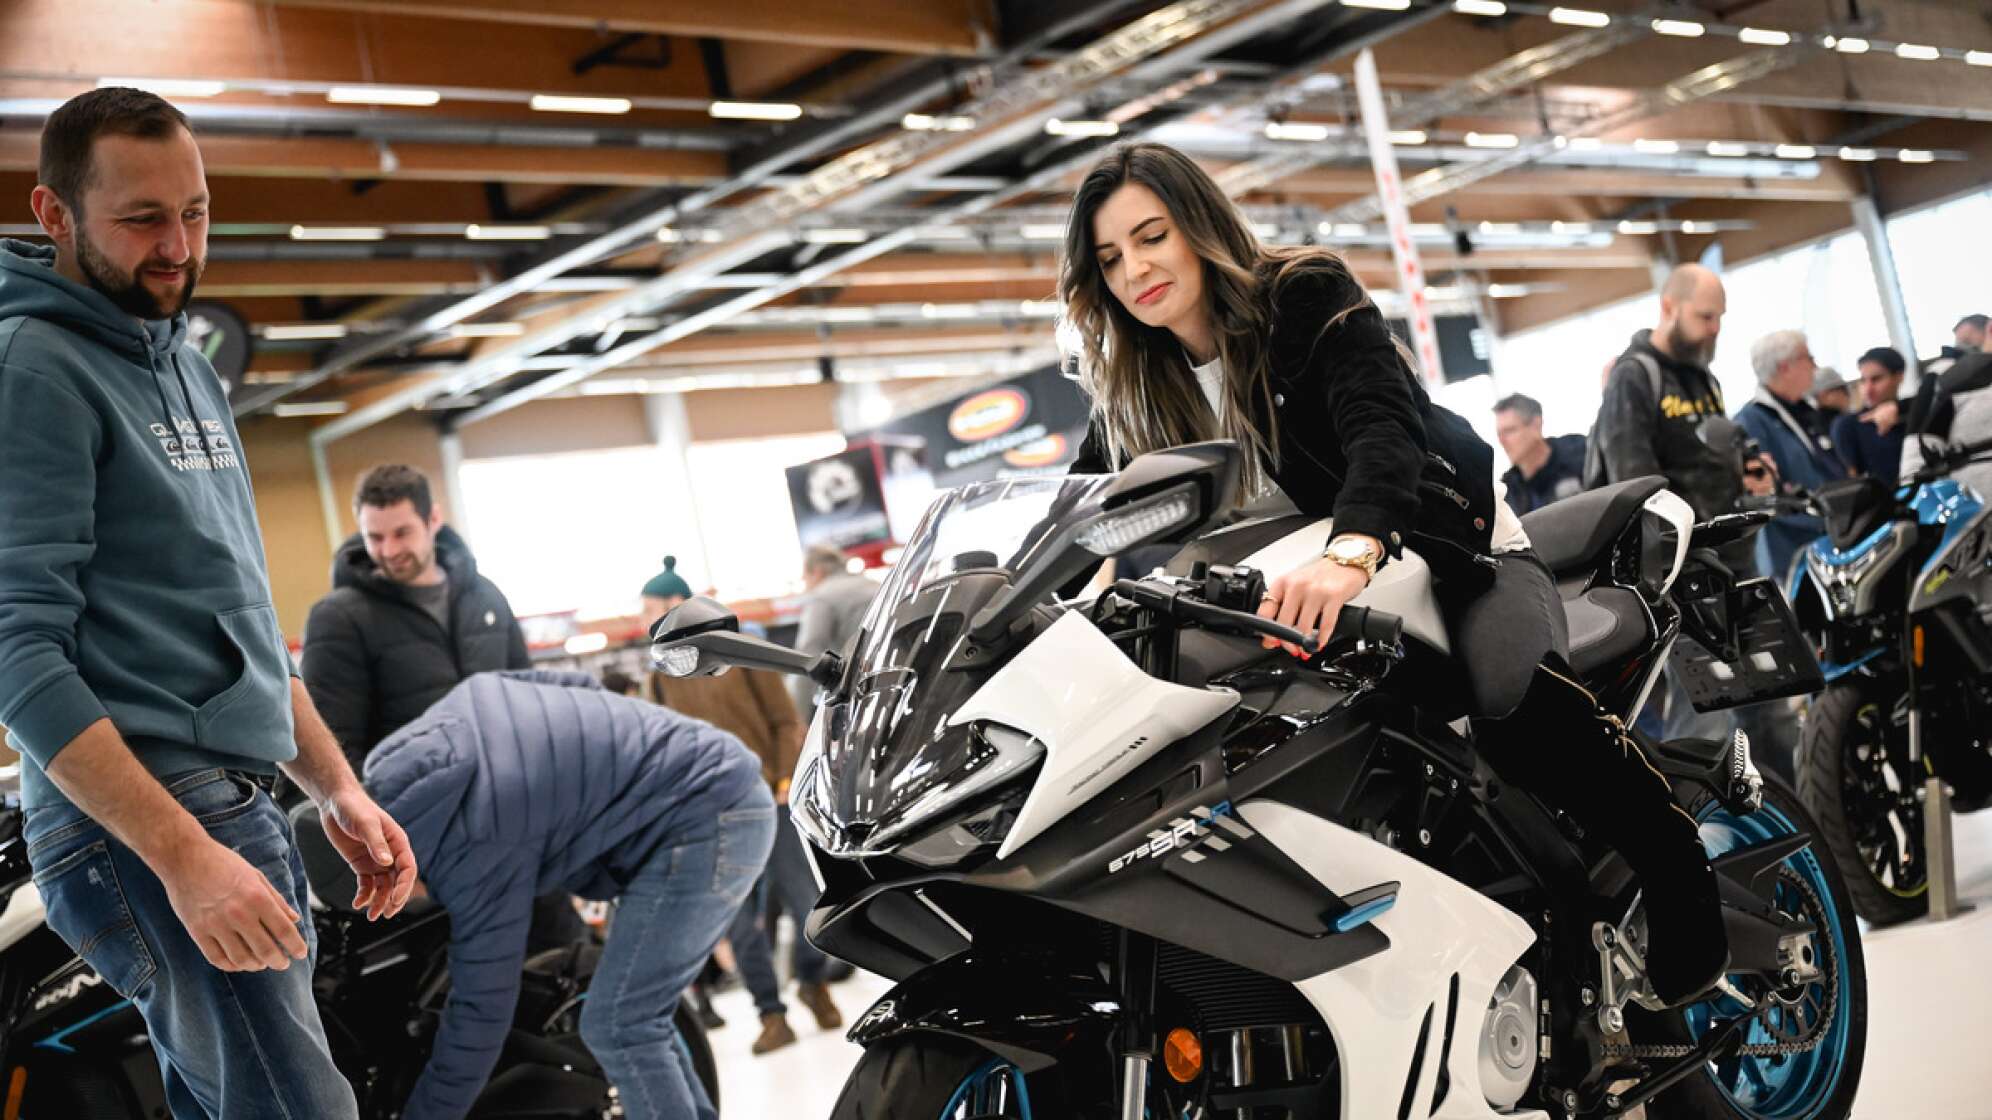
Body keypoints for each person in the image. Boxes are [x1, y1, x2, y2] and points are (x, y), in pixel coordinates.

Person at [1058, 142, 1724, 1006]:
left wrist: (1350, 552)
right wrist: (1001, 610)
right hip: (1289, 609)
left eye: (1152, 237)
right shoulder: (1136, 389)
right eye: (1110, 258)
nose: (1135, 269)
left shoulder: (1302, 297)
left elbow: (1381, 430)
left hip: (1444, 553)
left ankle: (1677, 866)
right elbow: (1079, 518)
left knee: (1508, 703)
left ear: (1199, 226)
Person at [0, 87, 416, 1118]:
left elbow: (240, 619)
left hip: (233, 799)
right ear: (55, 214)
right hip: (145, 821)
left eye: (195, 212)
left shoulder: (187, 365)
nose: (178, 247)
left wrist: (333, 786)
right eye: (142, 218)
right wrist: (184, 855)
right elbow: (16, 650)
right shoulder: (33, 369)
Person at [318, 670, 773, 1120]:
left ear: (389, 867)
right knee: (638, 1016)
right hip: (704, 773)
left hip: (710, 817)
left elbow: (481, 1015)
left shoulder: (472, 845)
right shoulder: (432, 732)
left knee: (620, 1025)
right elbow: (581, 686)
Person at [636, 558, 841, 1052]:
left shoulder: (736, 649)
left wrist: (786, 777)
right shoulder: (660, 675)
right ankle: (771, 1014)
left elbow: (784, 719)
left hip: (770, 797)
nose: (644, 616)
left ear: (675, 603)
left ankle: (813, 982)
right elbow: (663, 749)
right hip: (713, 815)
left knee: (808, 901)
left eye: (649, 606)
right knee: (739, 924)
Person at [301, 464, 532, 772]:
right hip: (406, 796)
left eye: (402, 533)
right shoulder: (338, 619)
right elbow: (332, 747)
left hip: (502, 783)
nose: (389, 550)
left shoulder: (486, 597)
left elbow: (526, 698)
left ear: (433, 519)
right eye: (375, 537)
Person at [1591, 263, 1776, 518]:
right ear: (1669, 308)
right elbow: (1634, 486)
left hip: (1725, 534)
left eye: (1720, 317)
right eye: (1706, 316)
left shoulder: (1704, 377)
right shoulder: (1633, 377)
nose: (1715, 328)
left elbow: (1713, 457)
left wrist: (1747, 473)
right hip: (1678, 539)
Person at [1735, 330, 1846, 585]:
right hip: (1794, 552)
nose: (1815, 366)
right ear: (1785, 367)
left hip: (1832, 535)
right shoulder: (1751, 421)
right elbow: (1765, 496)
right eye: (1808, 358)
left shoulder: (1805, 410)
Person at [788, 543, 878, 720]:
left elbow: (808, 657)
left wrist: (796, 718)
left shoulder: (821, 598)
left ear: (817, 572)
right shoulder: (877, 586)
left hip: (860, 695)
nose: (805, 583)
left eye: (805, 577)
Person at [1492, 392, 1586, 515]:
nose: (1502, 441)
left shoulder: (1582, 453)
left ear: (1536, 425)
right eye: (1499, 434)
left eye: (1509, 430)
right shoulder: (1507, 493)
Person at [1833, 346, 1908, 479]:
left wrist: (1900, 408)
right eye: (1863, 380)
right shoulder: (1848, 425)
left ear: (1899, 377)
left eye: (1876, 379)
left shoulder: (1912, 413)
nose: (1868, 389)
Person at [1809, 366, 1852, 440]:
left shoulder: (1844, 417)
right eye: (1842, 389)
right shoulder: (1840, 423)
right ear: (1823, 395)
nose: (1846, 395)